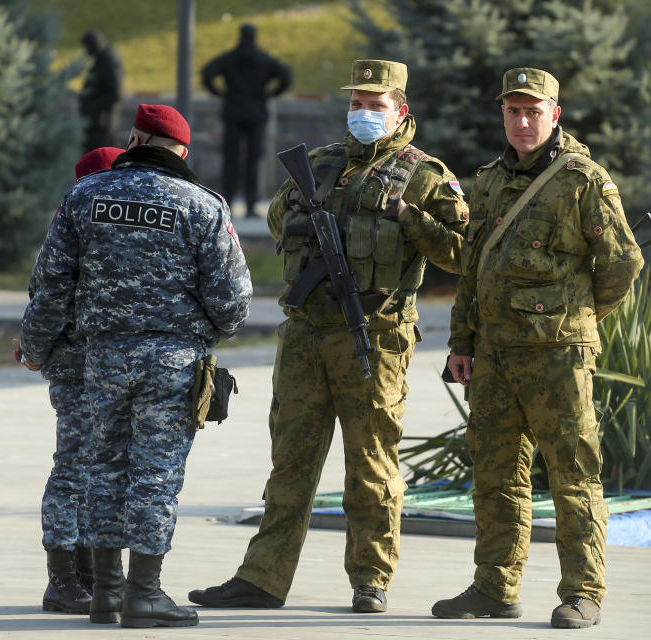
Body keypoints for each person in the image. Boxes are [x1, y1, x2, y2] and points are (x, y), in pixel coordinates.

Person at [190, 59, 469, 614]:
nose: (364, 113)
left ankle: (371, 578)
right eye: (357, 103)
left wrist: (408, 218)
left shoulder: (425, 175)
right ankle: (263, 578)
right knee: (290, 461)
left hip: (374, 336)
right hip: (306, 335)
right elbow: (276, 221)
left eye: (376, 105)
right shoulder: (316, 164)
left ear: (401, 111)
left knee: (371, 463)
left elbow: (462, 252)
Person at [20, 104, 252, 628]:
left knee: (102, 471)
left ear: (134, 138)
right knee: (155, 475)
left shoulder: (84, 196)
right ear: (182, 151)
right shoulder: (201, 205)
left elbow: (50, 287)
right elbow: (234, 300)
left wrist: (34, 347)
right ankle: (143, 594)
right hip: (171, 360)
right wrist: (202, 333)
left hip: (102, 358)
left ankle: (104, 593)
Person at [433, 68, 644, 629]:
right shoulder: (487, 182)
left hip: (558, 356)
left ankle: (583, 591)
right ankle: (494, 587)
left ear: (555, 114)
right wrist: (462, 342)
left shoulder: (583, 180)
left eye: (533, 111)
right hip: (495, 354)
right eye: (512, 111)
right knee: (496, 474)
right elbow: (474, 271)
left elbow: (623, 263)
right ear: (503, 115)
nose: (522, 122)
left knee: (574, 474)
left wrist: (579, 316)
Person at [15, 145, 124, 615]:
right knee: (74, 470)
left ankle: (85, 574)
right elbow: (46, 299)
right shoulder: (78, 223)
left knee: (95, 472)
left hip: (103, 367)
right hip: (77, 369)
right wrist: (34, 351)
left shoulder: (82, 219)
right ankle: (62, 581)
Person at [201, 23, 292, 218]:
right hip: (256, 113)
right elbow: (286, 75)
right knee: (253, 160)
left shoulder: (229, 58)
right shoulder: (264, 59)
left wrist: (218, 92)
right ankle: (251, 205)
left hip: (232, 112)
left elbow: (207, 72)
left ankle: (227, 203)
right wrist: (271, 93)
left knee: (230, 160)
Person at [79, 30, 124, 152]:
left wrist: (93, 106)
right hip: (94, 124)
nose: (86, 51)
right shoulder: (100, 61)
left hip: (103, 125)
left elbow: (115, 94)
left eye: (87, 47)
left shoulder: (109, 62)